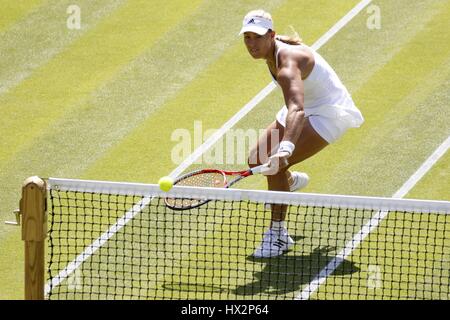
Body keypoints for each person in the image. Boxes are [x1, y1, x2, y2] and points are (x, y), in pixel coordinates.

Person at [239, 10, 364, 258]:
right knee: (257, 158)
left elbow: (296, 108)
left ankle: (278, 236)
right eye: (247, 37)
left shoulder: (287, 64)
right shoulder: (271, 52)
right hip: (303, 106)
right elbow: (295, 107)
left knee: (274, 164)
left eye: (257, 37)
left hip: (328, 114)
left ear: (271, 35)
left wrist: (286, 149)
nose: (252, 44)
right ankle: (289, 183)